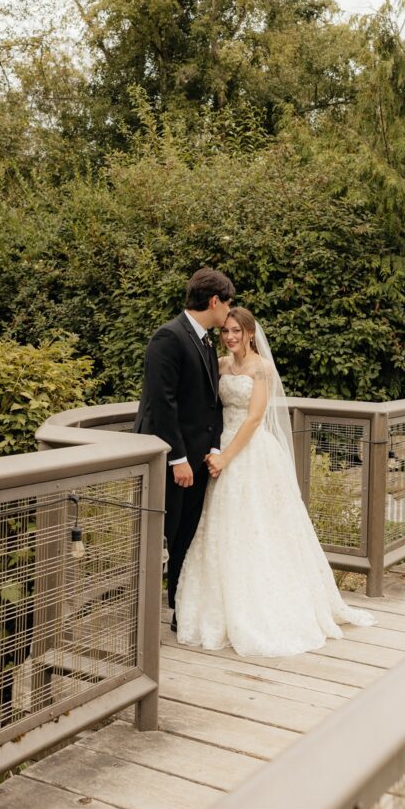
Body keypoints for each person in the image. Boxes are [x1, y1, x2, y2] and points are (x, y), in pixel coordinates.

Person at [175, 306, 376, 657]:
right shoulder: (221, 366)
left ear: (251, 333)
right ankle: (219, 609)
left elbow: (253, 420)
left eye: (237, 331)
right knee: (223, 528)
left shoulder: (261, 369)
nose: (231, 337)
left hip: (250, 453)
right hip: (221, 451)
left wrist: (225, 456)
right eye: (226, 332)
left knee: (263, 528)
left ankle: (269, 606)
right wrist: (212, 448)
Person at [134, 267, 236, 629]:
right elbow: (162, 404)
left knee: (187, 538)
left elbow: (210, 403)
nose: (229, 311)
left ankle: (181, 612)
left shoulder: (206, 340)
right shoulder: (168, 338)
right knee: (166, 536)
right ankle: (144, 620)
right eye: (228, 303)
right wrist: (177, 458)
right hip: (172, 460)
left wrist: (211, 447)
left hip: (198, 458)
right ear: (214, 301)